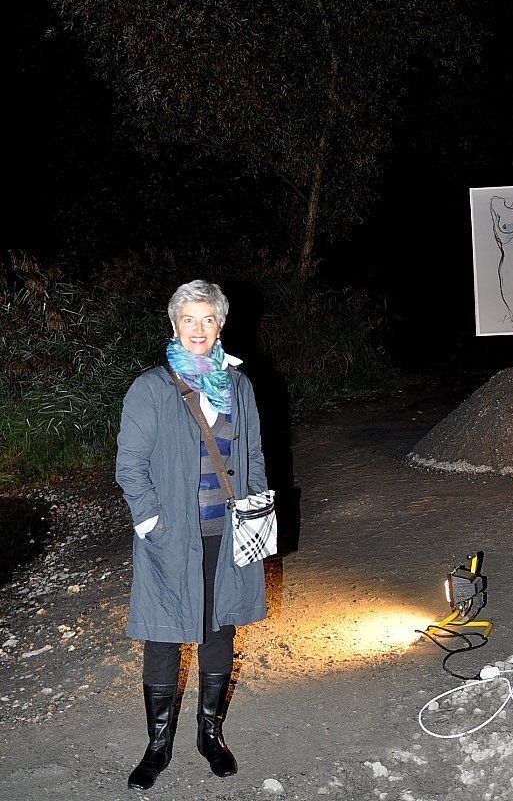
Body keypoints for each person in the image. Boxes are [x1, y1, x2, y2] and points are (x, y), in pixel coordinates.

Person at [116, 279, 268, 791]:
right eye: (189, 319)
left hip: (227, 532)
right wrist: (150, 522)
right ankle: (157, 745)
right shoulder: (151, 388)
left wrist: (256, 508)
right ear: (174, 325)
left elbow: (253, 454)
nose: (198, 329)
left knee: (219, 627)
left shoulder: (238, 385)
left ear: (220, 325)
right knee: (163, 634)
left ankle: (210, 735)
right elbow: (130, 465)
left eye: (207, 319)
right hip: (171, 535)